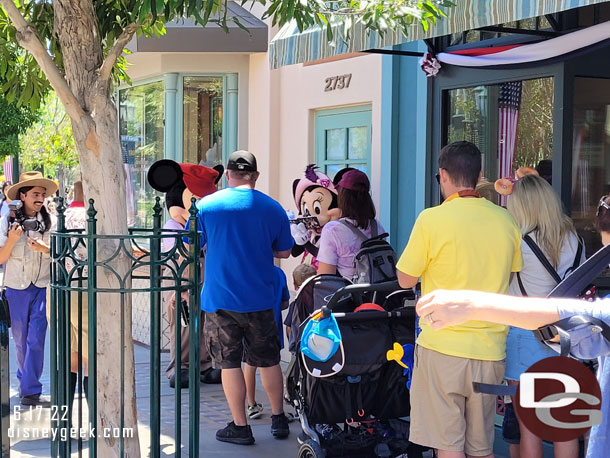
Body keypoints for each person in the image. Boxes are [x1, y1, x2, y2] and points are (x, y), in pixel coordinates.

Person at [396, 141, 523, 458]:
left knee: (447, 444)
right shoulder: (506, 220)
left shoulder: (431, 219)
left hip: (442, 347)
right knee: (481, 447)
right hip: (490, 350)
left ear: (442, 176)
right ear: (480, 175)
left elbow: (405, 279)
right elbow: (509, 276)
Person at [187, 150, 293, 445]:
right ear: (255, 176)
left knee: (229, 364)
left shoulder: (206, 207)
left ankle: (240, 426)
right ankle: (278, 418)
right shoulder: (273, 208)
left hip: (220, 300)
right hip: (260, 296)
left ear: (227, 176)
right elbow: (284, 251)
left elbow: (191, 246)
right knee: (270, 360)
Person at [500, 173, 583, 458]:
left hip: (524, 335)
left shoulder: (518, 243)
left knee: (529, 429)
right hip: (565, 337)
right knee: (563, 425)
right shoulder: (574, 240)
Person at [147, 160, 223, 388]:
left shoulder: (207, 224)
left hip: (206, 275)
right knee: (183, 321)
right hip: (179, 275)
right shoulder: (173, 225)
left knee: (207, 321)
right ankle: (179, 367)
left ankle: (205, 364)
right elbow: (174, 252)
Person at [0, 171, 58, 407]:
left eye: (42, 194)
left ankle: (31, 392)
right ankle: (26, 382)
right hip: (15, 288)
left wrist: (46, 249)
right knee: (21, 339)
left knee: (36, 338)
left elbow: (62, 254)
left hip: (41, 287)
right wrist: (13, 240)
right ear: (22, 196)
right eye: (35, 194)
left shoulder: (51, 220)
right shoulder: (6, 221)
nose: (40, 199)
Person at [317, 169, 385, 280]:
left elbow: (325, 278)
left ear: (343, 197)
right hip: (377, 294)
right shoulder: (377, 227)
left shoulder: (333, 229)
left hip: (348, 295)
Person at [244, 266, 290, 420]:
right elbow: (285, 303)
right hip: (272, 324)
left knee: (250, 366)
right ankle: (278, 413)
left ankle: (251, 404)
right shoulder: (278, 273)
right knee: (272, 365)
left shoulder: (248, 271)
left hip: (250, 326)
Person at [284, 264, 317, 340]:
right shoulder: (319, 299)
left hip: (302, 344)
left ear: (295, 285)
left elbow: (289, 328)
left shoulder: (296, 304)